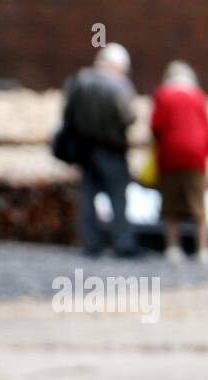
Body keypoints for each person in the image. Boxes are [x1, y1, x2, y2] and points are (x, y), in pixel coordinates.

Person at [62, 43, 139, 257]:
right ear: (118, 65)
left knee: (87, 194)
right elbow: (128, 117)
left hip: (85, 148)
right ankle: (123, 242)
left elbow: (68, 114)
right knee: (118, 196)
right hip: (111, 148)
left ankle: (90, 242)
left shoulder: (79, 80)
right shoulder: (118, 85)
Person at [150, 61, 208, 264]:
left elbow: (155, 126)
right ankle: (204, 250)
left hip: (170, 154)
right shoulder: (199, 96)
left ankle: (173, 248)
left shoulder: (163, 95)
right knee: (199, 205)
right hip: (196, 155)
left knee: (170, 205)